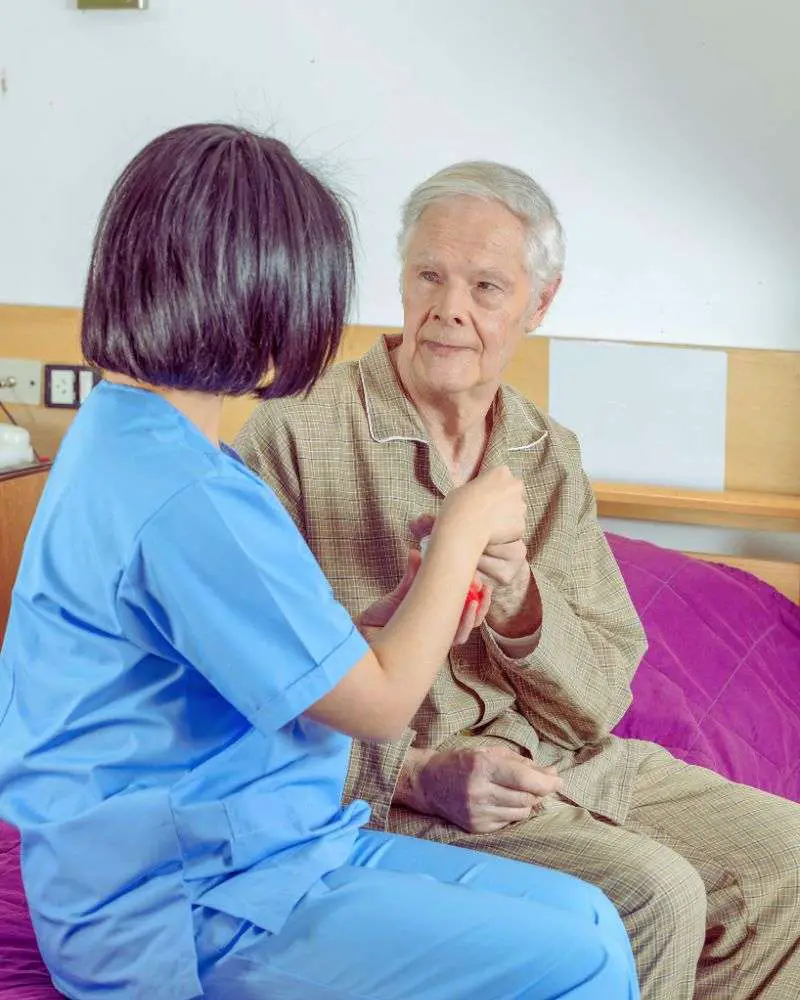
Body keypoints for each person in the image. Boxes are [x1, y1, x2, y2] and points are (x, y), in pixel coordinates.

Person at [0, 128, 640, 1000]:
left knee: (593, 916)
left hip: (261, 844)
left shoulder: (130, 440)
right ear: (261, 296)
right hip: (184, 904)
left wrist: (403, 606)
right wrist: (460, 536)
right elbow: (377, 708)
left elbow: (280, 650)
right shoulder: (194, 494)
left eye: (486, 287)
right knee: (586, 958)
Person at [236, 159, 800, 1000]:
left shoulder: (547, 453)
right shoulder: (293, 432)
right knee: (657, 894)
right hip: (408, 786)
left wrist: (523, 604)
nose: (449, 309)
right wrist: (418, 772)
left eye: (487, 286)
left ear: (540, 304)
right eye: (429, 274)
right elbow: (245, 686)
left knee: (784, 860)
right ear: (400, 278)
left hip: (571, 765)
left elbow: (602, 694)